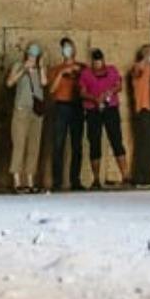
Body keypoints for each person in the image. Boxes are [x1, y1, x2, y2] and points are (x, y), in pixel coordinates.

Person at [77, 48, 128, 188]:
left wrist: (109, 92)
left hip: (110, 108)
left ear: (103, 60)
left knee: (116, 140)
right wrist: (95, 99)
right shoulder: (86, 74)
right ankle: (96, 179)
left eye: (100, 62)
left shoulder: (112, 70)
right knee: (94, 142)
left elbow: (119, 85)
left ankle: (125, 176)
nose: (98, 65)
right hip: (93, 110)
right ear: (92, 62)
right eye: (95, 62)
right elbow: (82, 92)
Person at [5, 43, 46, 193]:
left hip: (36, 112)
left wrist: (40, 67)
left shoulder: (40, 69)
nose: (32, 57)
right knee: (19, 144)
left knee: (33, 146)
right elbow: (9, 82)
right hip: (22, 110)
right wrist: (24, 69)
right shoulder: (18, 65)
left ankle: (30, 180)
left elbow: (44, 83)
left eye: (35, 55)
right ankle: (17, 181)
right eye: (30, 54)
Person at [47, 36, 86, 191]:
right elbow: (51, 90)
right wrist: (62, 72)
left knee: (77, 144)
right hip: (61, 106)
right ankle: (57, 181)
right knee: (58, 144)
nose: (68, 50)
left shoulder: (83, 67)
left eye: (70, 46)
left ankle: (75, 180)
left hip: (77, 105)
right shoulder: (56, 69)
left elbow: (89, 84)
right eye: (65, 47)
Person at [128, 45, 150, 186]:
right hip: (143, 108)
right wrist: (146, 59)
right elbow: (137, 72)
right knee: (146, 143)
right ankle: (142, 177)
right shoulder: (139, 66)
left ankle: (148, 173)